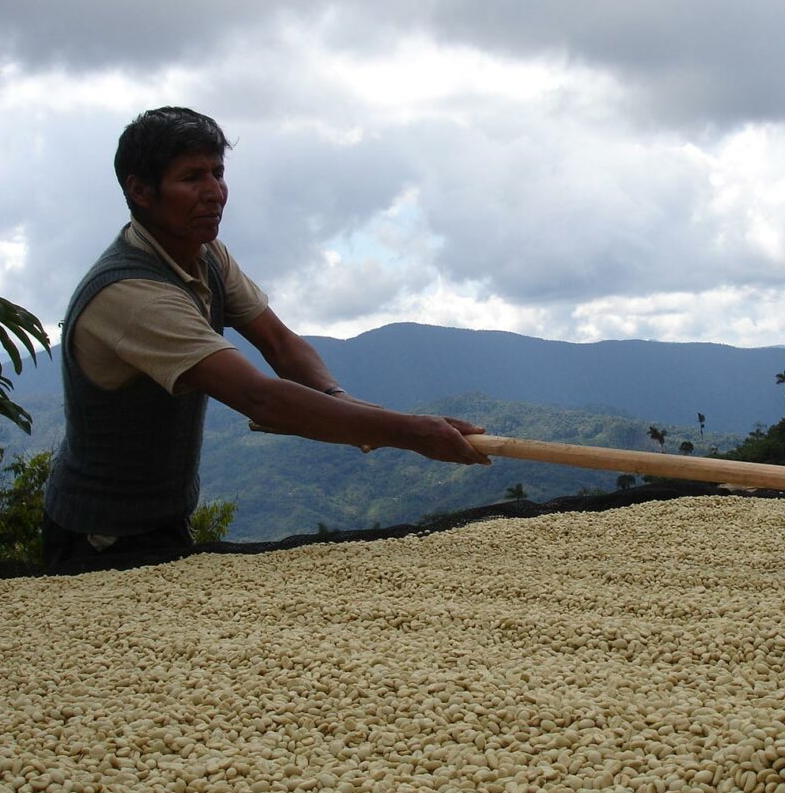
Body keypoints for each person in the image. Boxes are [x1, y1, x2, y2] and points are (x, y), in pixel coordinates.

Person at [42, 106, 490, 568]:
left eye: (218, 173)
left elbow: (279, 343)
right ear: (140, 190)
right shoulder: (132, 296)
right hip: (100, 534)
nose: (214, 192)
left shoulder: (206, 253)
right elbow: (261, 399)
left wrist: (342, 399)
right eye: (192, 177)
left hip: (163, 516)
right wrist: (410, 432)